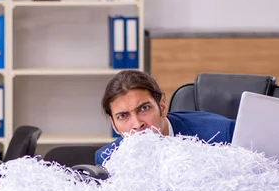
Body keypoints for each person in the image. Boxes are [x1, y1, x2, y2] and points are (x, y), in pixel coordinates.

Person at [95, 70, 236, 165]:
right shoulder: (108, 160)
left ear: (162, 106)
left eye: (144, 108)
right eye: (123, 116)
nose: (137, 124)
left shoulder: (222, 135)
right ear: (113, 124)